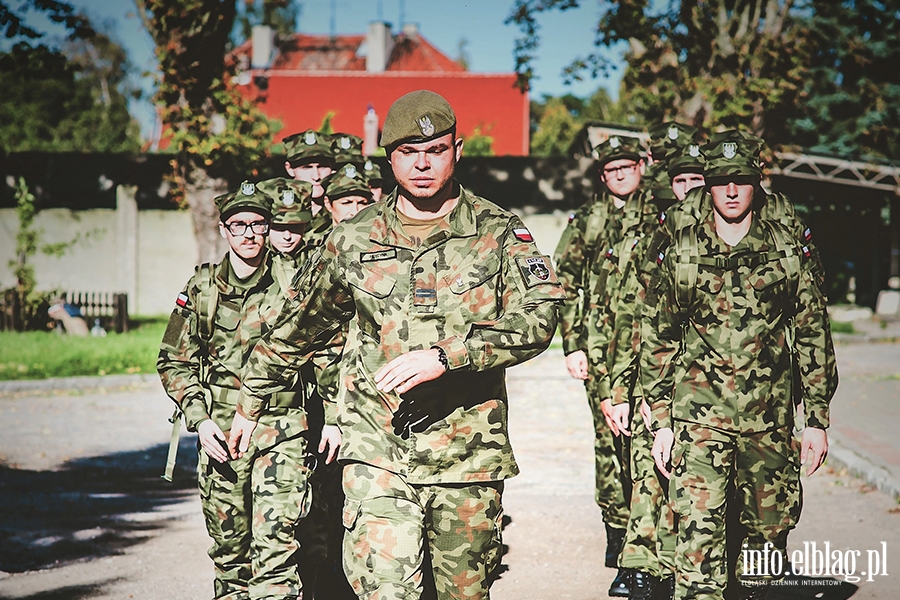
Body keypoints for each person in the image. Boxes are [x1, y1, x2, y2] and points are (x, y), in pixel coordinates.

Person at [228, 89, 563, 600]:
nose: (423, 164)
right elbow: (300, 328)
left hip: (466, 457)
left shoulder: (498, 232)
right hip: (377, 452)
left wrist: (449, 356)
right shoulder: (353, 238)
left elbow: (540, 317)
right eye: (408, 152)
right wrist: (249, 402)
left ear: (458, 150)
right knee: (384, 590)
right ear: (389, 158)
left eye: (435, 150)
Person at [644, 137, 838, 600]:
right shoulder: (684, 252)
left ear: (757, 184)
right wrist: (662, 420)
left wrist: (815, 421)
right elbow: (658, 338)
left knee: (765, 551)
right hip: (698, 422)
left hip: (768, 424)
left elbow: (813, 335)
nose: (731, 191)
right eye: (720, 182)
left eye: (742, 181)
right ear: (707, 187)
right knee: (696, 553)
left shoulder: (786, 252)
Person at [157, 182, 329, 600]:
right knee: (232, 559)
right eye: (240, 225)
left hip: (282, 430)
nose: (250, 233)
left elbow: (327, 350)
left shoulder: (294, 282)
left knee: (275, 554)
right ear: (224, 229)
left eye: (259, 224)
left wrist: (336, 417)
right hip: (222, 437)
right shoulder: (202, 288)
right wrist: (198, 421)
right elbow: (173, 361)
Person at [602, 137, 707, 600]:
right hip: (660, 374)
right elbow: (634, 315)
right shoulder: (659, 234)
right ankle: (641, 563)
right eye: (680, 180)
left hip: (724, 382)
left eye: (695, 180)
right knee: (650, 466)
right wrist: (621, 387)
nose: (687, 188)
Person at [553, 134, 653, 597]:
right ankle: (618, 534)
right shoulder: (588, 219)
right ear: (601, 175)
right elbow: (564, 282)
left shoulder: (663, 215)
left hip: (652, 350)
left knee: (648, 448)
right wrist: (572, 343)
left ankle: (647, 546)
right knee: (611, 445)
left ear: (641, 166)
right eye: (611, 170)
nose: (619, 176)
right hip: (601, 351)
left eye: (626, 167)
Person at [283, 129, 336, 249]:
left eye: (322, 166)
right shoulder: (276, 212)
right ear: (289, 169)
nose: (316, 176)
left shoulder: (344, 211)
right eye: (306, 167)